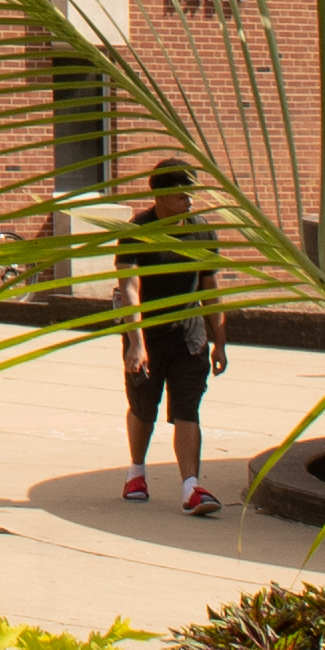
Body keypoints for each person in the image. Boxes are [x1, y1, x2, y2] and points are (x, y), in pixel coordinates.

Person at [115, 158, 230, 512]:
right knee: (143, 409)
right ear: (160, 196)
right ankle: (136, 473)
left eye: (192, 194)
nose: (190, 201)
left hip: (190, 336)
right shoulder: (137, 230)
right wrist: (136, 343)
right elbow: (129, 289)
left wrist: (220, 342)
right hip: (147, 334)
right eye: (182, 194)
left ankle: (191, 488)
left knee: (187, 409)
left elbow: (210, 288)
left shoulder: (202, 231)